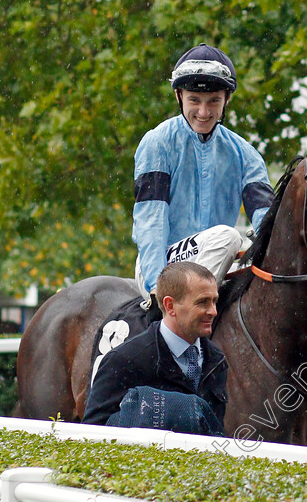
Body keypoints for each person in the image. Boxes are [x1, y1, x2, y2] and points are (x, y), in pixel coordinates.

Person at [133, 43, 274, 313]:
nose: (204, 112)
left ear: (227, 100)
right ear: (179, 96)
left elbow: (266, 220)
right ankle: (180, 313)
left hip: (218, 262)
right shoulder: (157, 143)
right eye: (194, 101)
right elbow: (151, 221)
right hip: (163, 266)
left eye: (214, 102)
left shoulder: (245, 153)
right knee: (228, 237)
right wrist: (156, 286)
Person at [83, 262, 227, 435]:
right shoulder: (124, 360)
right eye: (202, 302)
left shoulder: (217, 360)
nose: (213, 311)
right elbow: (92, 435)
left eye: (214, 301)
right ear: (170, 306)